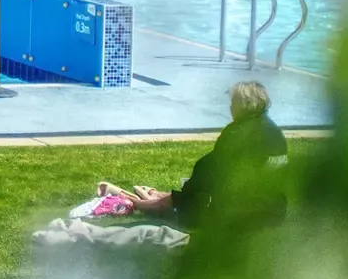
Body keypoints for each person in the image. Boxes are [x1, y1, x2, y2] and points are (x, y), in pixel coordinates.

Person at [103, 82, 288, 229]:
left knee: (190, 198)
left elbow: (209, 173)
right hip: (274, 210)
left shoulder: (237, 133)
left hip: (239, 215)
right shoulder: (273, 130)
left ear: (242, 105)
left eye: (232, 103)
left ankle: (147, 203)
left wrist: (179, 198)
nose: (230, 108)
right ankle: (161, 198)